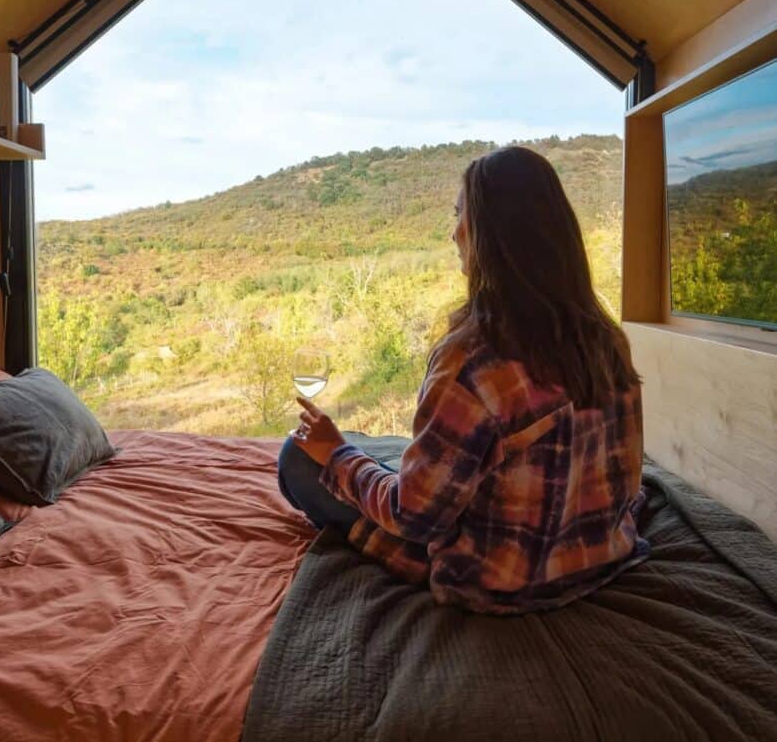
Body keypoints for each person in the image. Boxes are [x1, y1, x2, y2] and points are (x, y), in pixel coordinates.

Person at [278, 146, 649, 615]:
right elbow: (627, 478)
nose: (454, 233)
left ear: (493, 236)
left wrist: (336, 456)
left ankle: (342, 471)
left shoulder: (473, 360)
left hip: (496, 583)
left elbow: (414, 517)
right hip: (599, 560)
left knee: (298, 457)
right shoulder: (606, 339)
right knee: (374, 453)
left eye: (462, 216)